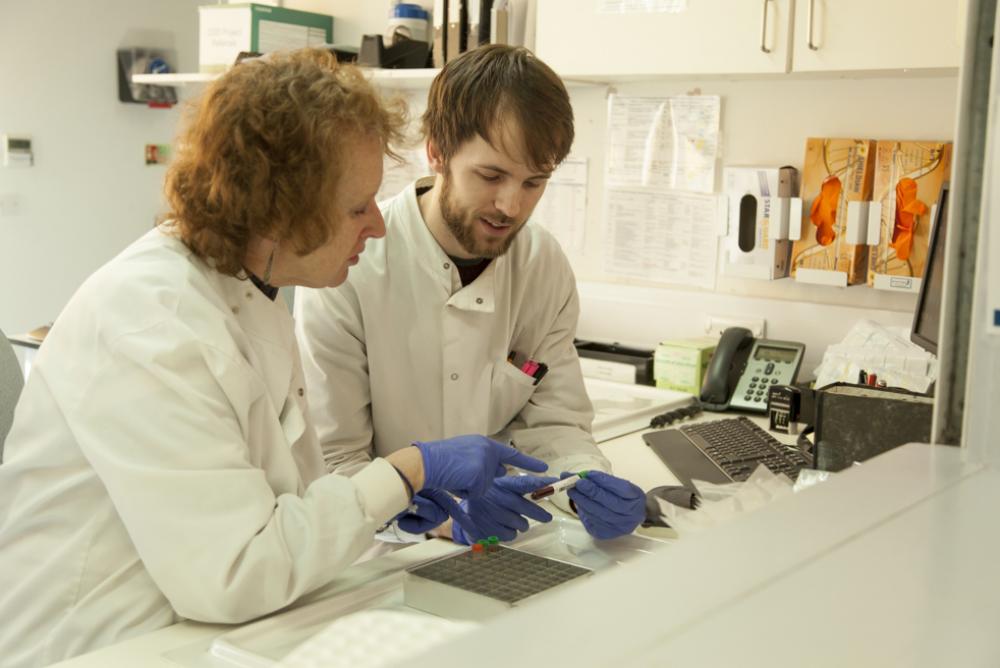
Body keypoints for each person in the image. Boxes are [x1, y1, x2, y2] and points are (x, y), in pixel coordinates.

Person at [0, 49, 550, 668]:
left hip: (206, 628)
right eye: (356, 207)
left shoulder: (250, 291)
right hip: (101, 644)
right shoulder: (153, 325)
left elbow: (280, 506)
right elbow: (233, 572)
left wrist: (389, 507)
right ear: (277, 210)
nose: (377, 226)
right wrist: (405, 473)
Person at [295, 45, 646, 545]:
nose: (511, 205)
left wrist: (586, 478)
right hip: (381, 553)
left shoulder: (542, 265)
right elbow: (334, 461)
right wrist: (438, 518)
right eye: (491, 176)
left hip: (508, 538)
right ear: (437, 151)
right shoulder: (349, 266)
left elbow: (555, 422)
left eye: (534, 182)